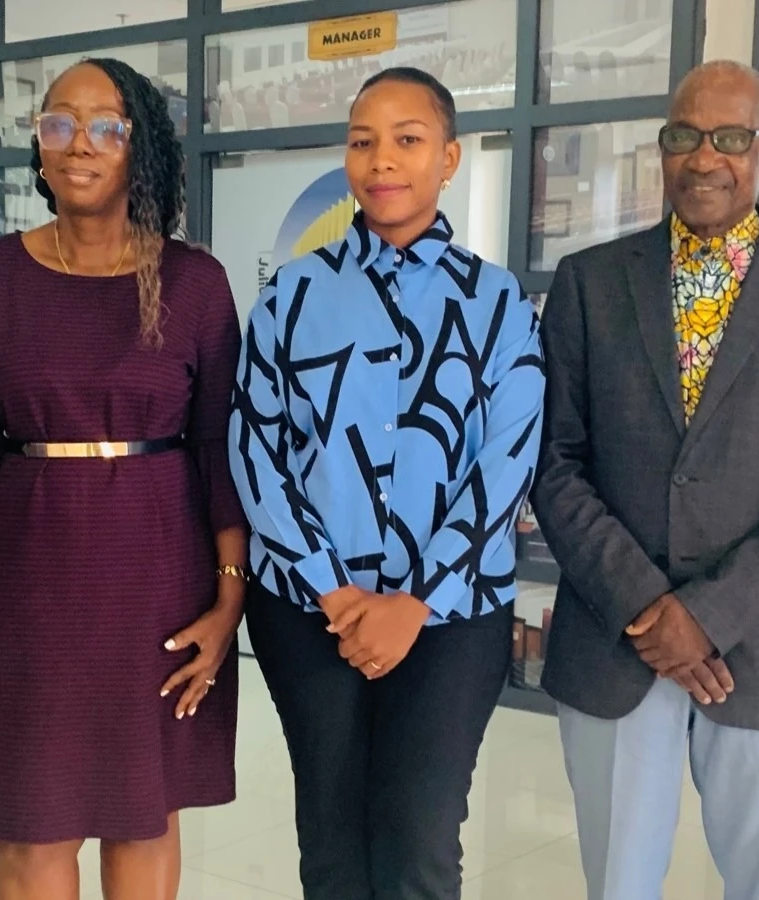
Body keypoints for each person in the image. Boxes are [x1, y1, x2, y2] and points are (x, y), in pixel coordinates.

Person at [531, 60, 759, 900]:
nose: (703, 157)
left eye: (730, 138)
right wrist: (650, 610)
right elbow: (554, 462)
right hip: (617, 644)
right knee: (617, 883)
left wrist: (707, 615)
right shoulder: (588, 283)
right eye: (683, 136)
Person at [0, 58, 247, 900]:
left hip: (159, 589)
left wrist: (229, 601)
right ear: (37, 143)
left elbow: (220, 453)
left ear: (138, 146)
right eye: (59, 122)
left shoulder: (195, 282)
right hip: (26, 592)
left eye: (106, 125)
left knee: (144, 815)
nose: (81, 144)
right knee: (33, 822)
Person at [230, 67, 545, 900]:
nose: (382, 160)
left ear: (449, 158)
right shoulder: (290, 296)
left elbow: (507, 459)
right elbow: (257, 450)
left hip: (452, 619)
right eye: (363, 141)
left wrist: (417, 600)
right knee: (331, 841)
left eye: (407, 140)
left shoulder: (497, 300)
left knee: (419, 842)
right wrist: (334, 592)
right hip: (308, 611)